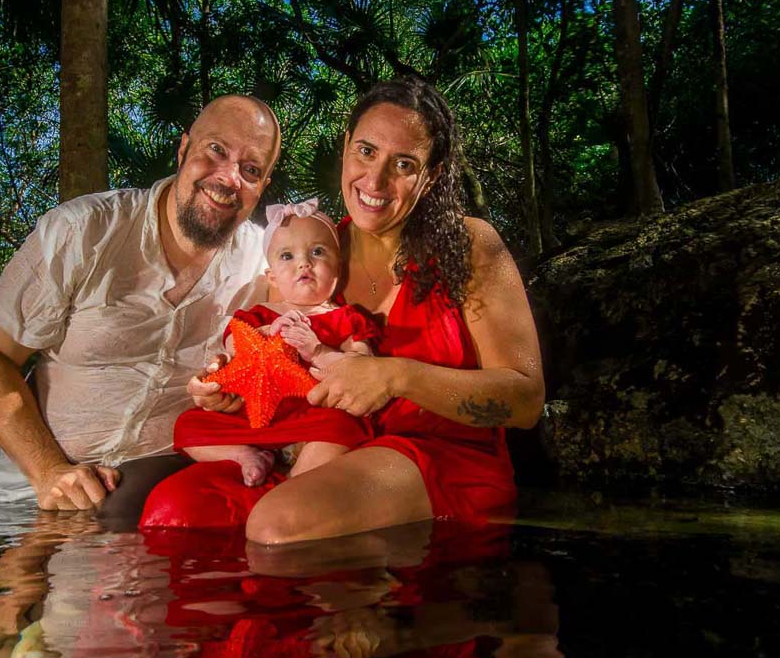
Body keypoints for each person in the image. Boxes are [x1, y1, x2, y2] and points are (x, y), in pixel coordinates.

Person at [140, 78, 546, 541]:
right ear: (346, 145)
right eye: (367, 152)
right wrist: (230, 391)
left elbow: (526, 400)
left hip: (438, 456)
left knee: (278, 524)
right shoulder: (315, 251)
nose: (375, 181)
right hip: (320, 450)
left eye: (404, 164)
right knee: (174, 512)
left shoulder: (468, 243)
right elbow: (274, 366)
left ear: (430, 176)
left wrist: (395, 376)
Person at [0, 94, 281, 523]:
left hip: (150, 503)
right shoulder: (82, 230)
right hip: (26, 497)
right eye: (216, 150)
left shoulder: (266, 266)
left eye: (251, 169)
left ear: (263, 187)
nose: (228, 178)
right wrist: (48, 470)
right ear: (184, 148)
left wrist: (233, 398)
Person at [173, 199, 381, 487]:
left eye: (317, 252)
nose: (303, 263)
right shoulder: (257, 315)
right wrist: (270, 332)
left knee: (343, 427)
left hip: (313, 417)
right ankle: (244, 456)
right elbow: (234, 346)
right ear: (271, 276)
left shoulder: (346, 318)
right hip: (255, 419)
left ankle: (294, 484)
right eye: (287, 256)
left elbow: (362, 366)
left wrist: (318, 350)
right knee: (187, 426)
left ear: (337, 269)